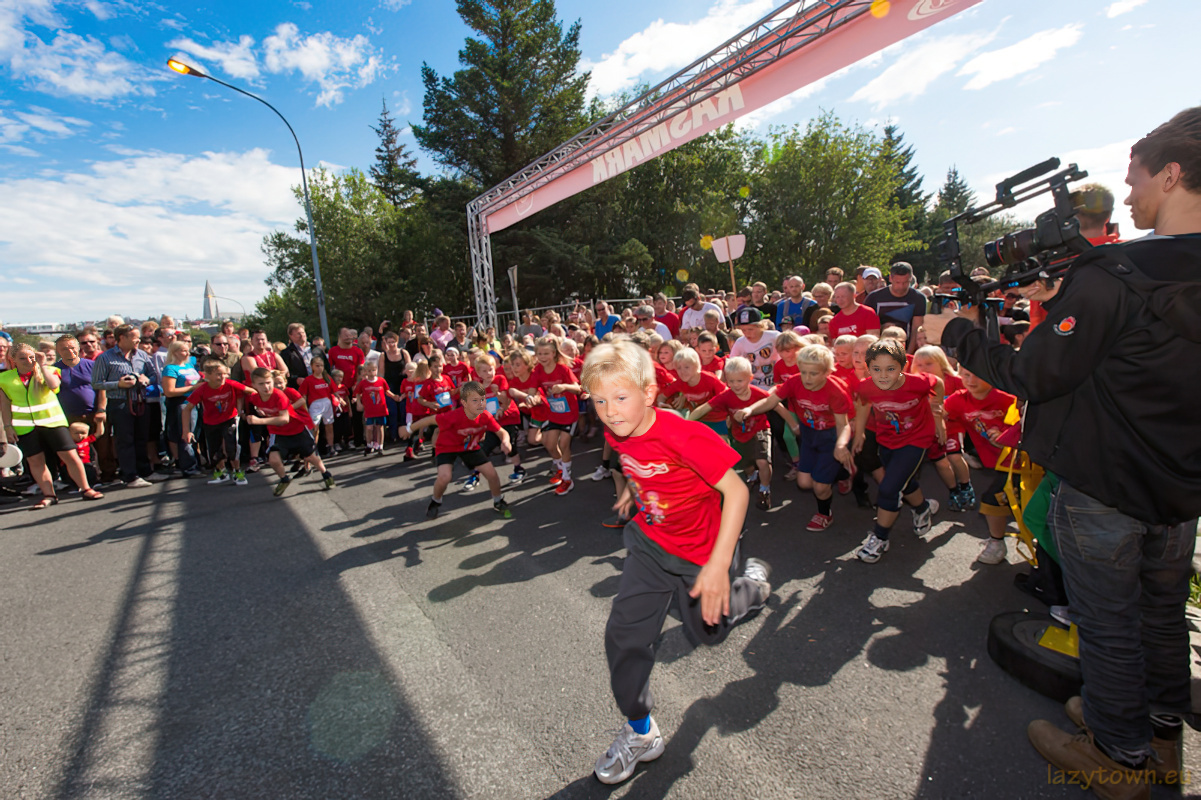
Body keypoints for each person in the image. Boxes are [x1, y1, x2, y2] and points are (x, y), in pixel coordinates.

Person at [943, 107, 1201, 792]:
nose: (1128, 187)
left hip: (1105, 486)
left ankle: (1118, 755)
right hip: (1180, 488)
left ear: (1172, 175)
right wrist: (1068, 301)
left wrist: (960, 335)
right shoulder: (1119, 278)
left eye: (1136, 176)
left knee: (1108, 623)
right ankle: (1160, 733)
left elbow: (1035, 374)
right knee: (1160, 613)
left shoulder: (1115, 273)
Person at [581, 339, 771, 785]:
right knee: (623, 635)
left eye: (620, 397)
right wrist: (633, 489)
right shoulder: (618, 427)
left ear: (649, 393)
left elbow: (737, 492)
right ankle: (641, 732)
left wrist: (718, 566)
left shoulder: (683, 433)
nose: (609, 410)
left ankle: (751, 588)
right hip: (649, 545)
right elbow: (635, 460)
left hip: (703, 555)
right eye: (599, 400)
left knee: (708, 633)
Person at [836, 339, 944, 563]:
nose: (883, 376)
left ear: (903, 366)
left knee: (889, 487)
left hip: (917, 438)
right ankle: (922, 508)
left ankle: (880, 538)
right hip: (888, 440)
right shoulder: (865, 386)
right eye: (877, 369)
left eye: (890, 369)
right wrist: (860, 434)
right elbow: (863, 404)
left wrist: (937, 413)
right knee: (903, 481)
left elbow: (939, 383)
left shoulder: (918, 383)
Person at [736, 344, 852, 531]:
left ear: (826, 372)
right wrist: (749, 409)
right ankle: (842, 472)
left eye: (813, 374)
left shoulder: (836, 391)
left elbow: (844, 424)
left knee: (820, 487)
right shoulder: (794, 382)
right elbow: (770, 401)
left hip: (829, 437)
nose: (807, 378)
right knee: (804, 483)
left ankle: (824, 514)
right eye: (803, 372)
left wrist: (841, 445)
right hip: (809, 435)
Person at [0, 343, 102, 506]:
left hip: (52, 422)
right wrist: (7, 427)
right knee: (35, 461)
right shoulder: (4, 378)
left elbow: (54, 385)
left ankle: (85, 488)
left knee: (69, 455)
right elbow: (4, 405)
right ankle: (49, 495)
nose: (28, 361)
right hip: (25, 426)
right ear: (13, 360)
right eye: (22, 358)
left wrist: (42, 365)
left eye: (31, 357)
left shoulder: (51, 371)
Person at [406, 380, 512, 520]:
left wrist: (505, 441)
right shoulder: (454, 416)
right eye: (475, 400)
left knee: (491, 474)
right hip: (447, 447)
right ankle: (435, 501)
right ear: (464, 403)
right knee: (445, 477)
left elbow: (502, 432)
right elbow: (431, 419)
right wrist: (409, 429)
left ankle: (498, 500)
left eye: (482, 400)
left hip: (470, 447)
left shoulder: (485, 416)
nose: (480, 404)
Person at [689, 357, 773, 509]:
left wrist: (793, 424)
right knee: (745, 464)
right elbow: (705, 408)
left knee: (762, 461)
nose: (735, 385)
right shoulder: (726, 396)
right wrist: (686, 422)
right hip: (739, 433)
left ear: (750, 378)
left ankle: (764, 489)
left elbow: (776, 403)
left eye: (739, 381)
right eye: (731, 381)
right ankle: (753, 476)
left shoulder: (757, 393)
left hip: (759, 429)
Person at [244, 367, 334, 496]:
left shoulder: (280, 395)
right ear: (254, 385)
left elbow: (284, 419)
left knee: (310, 456)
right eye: (261, 384)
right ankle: (284, 479)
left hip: (296, 429)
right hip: (278, 433)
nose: (266, 387)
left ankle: (326, 474)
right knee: (273, 459)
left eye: (268, 382)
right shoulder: (254, 398)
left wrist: (259, 421)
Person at [91, 324, 161, 487]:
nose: (138, 340)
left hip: (140, 401)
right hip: (119, 403)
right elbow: (96, 383)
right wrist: (118, 384)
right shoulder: (105, 358)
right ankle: (130, 475)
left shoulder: (142, 355)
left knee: (141, 437)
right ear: (122, 338)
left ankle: (145, 471)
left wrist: (146, 380)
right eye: (134, 337)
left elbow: (153, 375)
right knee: (125, 439)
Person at [527, 336, 582, 495]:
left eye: (546, 353)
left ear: (554, 354)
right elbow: (532, 389)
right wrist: (530, 398)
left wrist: (563, 387)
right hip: (553, 413)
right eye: (539, 354)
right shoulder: (537, 370)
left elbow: (577, 388)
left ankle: (567, 479)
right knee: (550, 444)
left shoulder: (563, 369)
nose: (542, 357)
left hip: (569, 413)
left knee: (564, 444)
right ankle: (560, 468)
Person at [161, 340, 202, 477]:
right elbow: (169, 391)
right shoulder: (170, 368)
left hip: (194, 401)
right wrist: (193, 388)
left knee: (193, 433)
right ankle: (188, 467)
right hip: (181, 402)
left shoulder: (189, 365)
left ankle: (194, 462)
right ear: (175, 352)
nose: (187, 353)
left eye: (187, 350)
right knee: (185, 434)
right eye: (183, 351)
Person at [864, 263, 925, 352]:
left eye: (905, 282)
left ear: (911, 279)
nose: (901, 286)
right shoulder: (874, 298)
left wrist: (908, 353)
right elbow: (867, 328)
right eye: (897, 282)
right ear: (890, 279)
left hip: (905, 345)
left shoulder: (918, 298)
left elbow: (916, 328)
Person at [354, 359, 402, 457]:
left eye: (373, 370)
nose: (371, 373)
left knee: (380, 427)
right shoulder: (363, 383)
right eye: (368, 371)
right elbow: (357, 393)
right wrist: (358, 403)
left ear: (376, 370)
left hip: (380, 408)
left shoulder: (381, 381)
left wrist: (394, 397)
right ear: (365, 372)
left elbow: (387, 391)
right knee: (369, 428)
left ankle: (380, 446)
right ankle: (369, 444)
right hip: (369, 409)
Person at [728, 307, 779, 388]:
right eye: (743, 330)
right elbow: (731, 364)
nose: (747, 333)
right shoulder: (740, 342)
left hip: (774, 384)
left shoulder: (774, 337)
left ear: (760, 326)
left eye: (750, 329)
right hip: (751, 387)